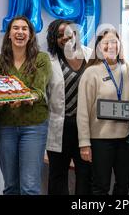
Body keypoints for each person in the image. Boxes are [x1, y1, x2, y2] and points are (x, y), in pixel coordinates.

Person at [77, 27, 129, 195]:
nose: (111, 46)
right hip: (100, 140)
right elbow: (83, 111)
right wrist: (84, 144)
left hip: (125, 139)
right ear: (99, 47)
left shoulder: (127, 69)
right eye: (106, 43)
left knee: (124, 184)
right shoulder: (91, 72)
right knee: (100, 187)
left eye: (114, 42)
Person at [0, 16, 51, 195]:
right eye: (15, 28)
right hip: (6, 126)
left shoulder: (41, 58)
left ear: (30, 35)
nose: (20, 32)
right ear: (9, 34)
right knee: (10, 185)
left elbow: (39, 90)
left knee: (29, 186)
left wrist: (24, 97)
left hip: (33, 127)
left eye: (24, 29)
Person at [46, 19, 93, 195]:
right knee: (57, 175)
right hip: (60, 126)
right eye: (59, 36)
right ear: (54, 39)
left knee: (85, 174)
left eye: (68, 34)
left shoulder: (90, 56)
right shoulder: (49, 60)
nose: (64, 38)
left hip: (85, 126)